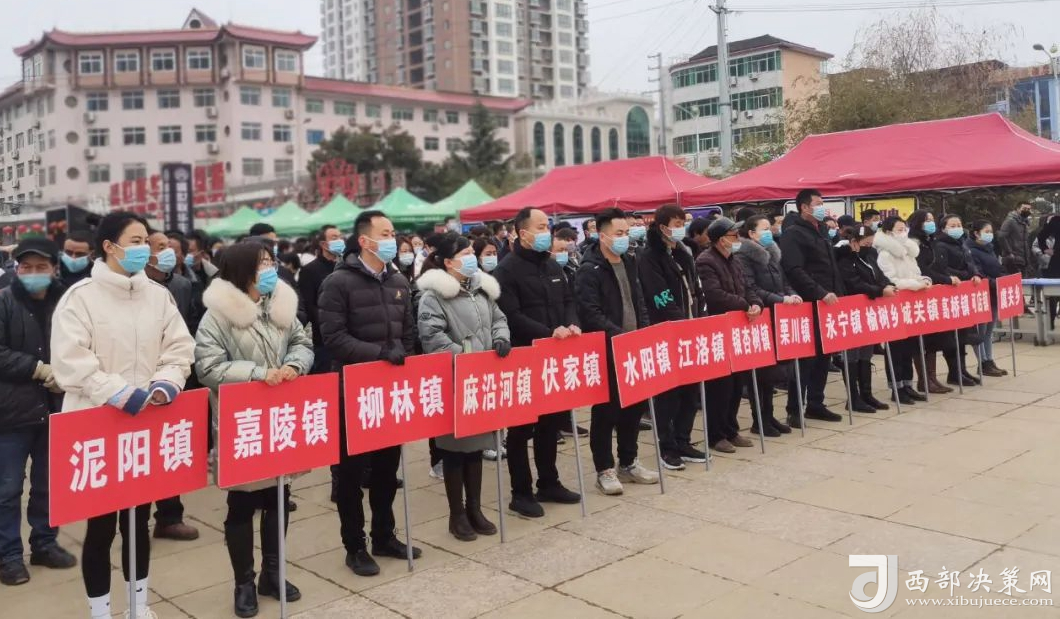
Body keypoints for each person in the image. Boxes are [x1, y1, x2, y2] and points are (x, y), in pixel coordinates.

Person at [51, 211, 195, 619]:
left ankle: (138, 605)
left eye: (146, 241)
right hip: (98, 424)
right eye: (135, 241)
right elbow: (71, 361)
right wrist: (117, 393)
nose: (144, 248)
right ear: (109, 247)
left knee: (138, 521)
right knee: (101, 526)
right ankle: (100, 610)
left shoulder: (158, 296)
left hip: (145, 424)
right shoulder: (80, 298)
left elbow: (179, 348)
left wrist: (167, 382)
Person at [193, 241, 312, 617]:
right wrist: (259, 374)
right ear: (242, 270)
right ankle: (243, 582)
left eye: (271, 261)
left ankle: (273, 574)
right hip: (242, 422)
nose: (270, 268)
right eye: (262, 263)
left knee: (279, 496)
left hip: (280, 418)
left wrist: (295, 365)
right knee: (243, 503)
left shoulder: (280, 304)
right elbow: (207, 368)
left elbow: (302, 341)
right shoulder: (217, 315)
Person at [318, 210, 421, 577]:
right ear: (364, 241)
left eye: (393, 232)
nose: (392, 239)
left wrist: (403, 358)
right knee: (350, 476)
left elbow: (408, 331)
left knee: (386, 471)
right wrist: (378, 354)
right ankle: (355, 545)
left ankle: (384, 535)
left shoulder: (398, 280)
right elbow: (333, 338)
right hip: (352, 391)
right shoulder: (338, 282)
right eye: (385, 233)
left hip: (390, 391)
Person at [415, 233, 506, 540]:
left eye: (471, 252)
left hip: (480, 380)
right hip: (454, 380)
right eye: (464, 254)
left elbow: (498, 319)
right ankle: (457, 515)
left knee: (476, 447)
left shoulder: (481, 289)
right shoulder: (433, 297)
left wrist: (501, 339)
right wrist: (467, 359)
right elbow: (433, 338)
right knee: (455, 450)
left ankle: (475, 509)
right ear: (448, 262)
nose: (471, 258)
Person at [493, 208, 583, 516]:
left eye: (548, 227)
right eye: (541, 227)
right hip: (524, 356)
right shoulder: (506, 270)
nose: (547, 233)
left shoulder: (551, 263)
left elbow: (568, 299)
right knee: (521, 429)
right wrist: (548, 332)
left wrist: (571, 322)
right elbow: (511, 315)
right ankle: (521, 492)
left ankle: (549, 482)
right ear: (523, 233)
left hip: (554, 357)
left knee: (551, 422)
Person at [0, 238, 77, 587]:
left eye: (40, 267)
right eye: (26, 267)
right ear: (17, 269)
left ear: (53, 268)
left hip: (56, 409)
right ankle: (9, 556)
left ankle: (45, 543)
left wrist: (68, 374)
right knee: (8, 488)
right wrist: (37, 368)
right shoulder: (4, 301)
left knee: (49, 484)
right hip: (11, 414)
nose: (33, 273)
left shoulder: (66, 303)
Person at [575, 208, 658, 495]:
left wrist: (643, 331)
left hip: (633, 348)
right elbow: (590, 313)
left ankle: (629, 461)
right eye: (618, 233)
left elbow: (639, 300)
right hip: (608, 349)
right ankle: (604, 469)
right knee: (606, 412)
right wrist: (619, 336)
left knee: (634, 408)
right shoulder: (589, 269)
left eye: (626, 232)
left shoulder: (629, 260)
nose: (624, 238)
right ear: (602, 235)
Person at [142, 231, 202, 541]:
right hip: (140, 377)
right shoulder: (135, 285)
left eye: (170, 247)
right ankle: (135, 522)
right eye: (161, 247)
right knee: (140, 452)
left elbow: (191, 327)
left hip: (174, 377)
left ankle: (169, 517)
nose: (169, 253)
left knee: (169, 449)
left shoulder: (182, 285)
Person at [637, 204, 707, 468]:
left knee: (690, 392)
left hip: (690, 330)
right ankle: (666, 447)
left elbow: (695, 288)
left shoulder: (683, 252)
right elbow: (659, 296)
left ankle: (683, 440)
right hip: (668, 331)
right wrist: (683, 324)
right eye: (677, 223)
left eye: (683, 223)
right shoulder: (649, 257)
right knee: (669, 393)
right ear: (662, 226)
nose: (681, 228)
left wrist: (699, 318)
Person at [696, 217, 764, 452]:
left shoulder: (734, 260)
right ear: (720, 239)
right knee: (720, 386)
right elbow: (714, 295)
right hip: (718, 328)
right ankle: (716, 434)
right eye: (733, 235)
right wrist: (744, 304)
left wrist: (755, 303)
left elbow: (748, 287)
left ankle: (731, 429)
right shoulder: (706, 261)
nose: (737, 239)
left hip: (738, 329)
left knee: (737, 383)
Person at [779, 189, 844, 426]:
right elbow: (794, 270)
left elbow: (830, 266)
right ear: (804, 207)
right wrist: (819, 292)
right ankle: (794, 409)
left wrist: (839, 292)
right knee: (806, 358)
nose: (821, 207)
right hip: (808, 303)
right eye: (817, 203)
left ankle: (816, 403)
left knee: (824, 355)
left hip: (828, 302)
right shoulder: (793, 234)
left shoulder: (821, 230)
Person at [735, 215, 800, 436]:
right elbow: (751, 288)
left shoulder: (772, 253)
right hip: (759, 317)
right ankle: (759, 420)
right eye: (763, 229)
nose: (769, 232)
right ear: (751, 233)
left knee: (771, 372)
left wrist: (791, 295)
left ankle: (769, 416)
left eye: (768, 228)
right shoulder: (743, 257)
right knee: (759, 372)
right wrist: (779, 299)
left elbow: (784, 282)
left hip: (776, 317)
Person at [834, 225, 896, 412]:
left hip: (869, 311)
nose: (869, 247)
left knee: (866, 353)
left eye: (871, 244)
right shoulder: (844, 259)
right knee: (852, 355)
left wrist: (888, 285)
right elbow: (854, 283)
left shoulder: (869, 256)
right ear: (854, 242)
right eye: (866, 244)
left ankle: (866, 393)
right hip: (852, 310)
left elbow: (879, 275)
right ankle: (853, 397)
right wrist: (879, 291)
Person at [874, 216, 932, 404]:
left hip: (910, 306)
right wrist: (914, 285)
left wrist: (924, 280)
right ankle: (896, 388)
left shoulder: (908, 251)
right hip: (895, 304)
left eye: (904, 229)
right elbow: (891, 280)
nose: (903, 232)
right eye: (899, 229)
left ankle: (908, 385)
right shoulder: (884, 254)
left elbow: (916, 273)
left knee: (910, 346)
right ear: (888, 232)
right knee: (896, 348)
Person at [908, 209, 957, 394]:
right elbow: (922, 269)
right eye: (926, 220)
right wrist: (946, 279)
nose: (931, 223)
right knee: (921, 340)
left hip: (934, 294)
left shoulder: (932, 241)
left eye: (932, 219)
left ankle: (932, 377)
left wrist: (947, 277)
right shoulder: (913, 243)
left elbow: (939, 266)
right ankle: (923, 379)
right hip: (920, 293)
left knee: (934, 339)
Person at [933, 214, 983, 387]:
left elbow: (970, 263)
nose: (957, 228)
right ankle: (954, 372)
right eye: (952, 225)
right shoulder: (940, 245)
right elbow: (943, 268)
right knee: (951, 337)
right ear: (943, 228)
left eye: (959, 225)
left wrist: (975, 274)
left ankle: (962, 370)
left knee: (963, 335)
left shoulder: (962, 243)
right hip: (950, 293)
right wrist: (964, 276)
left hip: (963, 294)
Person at [298, 225, 344, 375]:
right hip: (324, 339)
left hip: (349, 336)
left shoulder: (345, 267)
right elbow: (309, 304)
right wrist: (329, 321)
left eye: (340, 237)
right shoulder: (309, 270)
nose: (339, 240)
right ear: (324, 244)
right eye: (334, 238)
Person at [967, 220, 1008, 378]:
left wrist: (1003, 279)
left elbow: (998, 268)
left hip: (994, 293)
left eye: (991, 231)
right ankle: (982, 362)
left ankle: (989, 360)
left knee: (989, 332)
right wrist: (994, 282)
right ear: (976, 233)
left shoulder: (989, 248)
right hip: (982, 295)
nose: (990, 234)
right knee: (980, 331)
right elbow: (978, 273)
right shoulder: (971, 250)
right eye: (986, 231)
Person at [998, 201, 1035, 277]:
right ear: (1018, 209)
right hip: (1013, 260)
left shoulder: (1025, 223)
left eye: (1029, 209)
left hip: (1023, 260)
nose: (1027, 211)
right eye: (1024, 208)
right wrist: (1009, 252)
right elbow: (1001, 236)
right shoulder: (1010, 221)